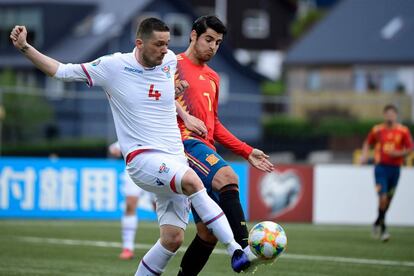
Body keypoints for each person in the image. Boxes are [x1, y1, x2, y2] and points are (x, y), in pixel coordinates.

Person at [10, 17, 251, 275]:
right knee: (193, 182)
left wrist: (185, 115)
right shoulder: (113, 66)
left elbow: (163, 93)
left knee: (172, 239)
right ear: (139, 43)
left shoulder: (169, 61)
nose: (165, 50)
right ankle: (236, 249)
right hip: (143, 158)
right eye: (158, 44)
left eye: (167, 43)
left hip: (174, 159)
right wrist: (25, 47)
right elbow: (61, 71)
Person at [175, 15, 274, 275]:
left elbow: (214, 124)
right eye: (209, 39)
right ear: (193, 35)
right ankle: (246, 248)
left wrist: (247, 150)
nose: (213, 47)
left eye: (218, 43)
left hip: (204, 148)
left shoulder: (213, 78)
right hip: (183, 144)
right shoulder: (171, 65)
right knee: (227, 176)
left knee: (208, 233)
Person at [360, 104, 413, 242]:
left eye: (392, 114)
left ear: (396, 115)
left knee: (388, 201)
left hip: (395, 170)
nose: (390, 116)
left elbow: (410, 148)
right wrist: (364, 155)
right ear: (384, 115)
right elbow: (367, 142)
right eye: (387, 114)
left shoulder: (403, 131)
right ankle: (384, 230)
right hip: (380, 168)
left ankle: (377, 221)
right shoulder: (377, 130)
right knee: (382, 198)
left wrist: (398, 153)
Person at [108, 141, 151, 260]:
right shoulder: (133, 127)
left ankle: (169, 242)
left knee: (158, 207)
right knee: (130, 205)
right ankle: (128, 248)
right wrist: (115, 148)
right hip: (133, 169)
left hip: (157, 168)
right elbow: (114, 147)